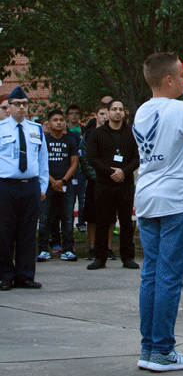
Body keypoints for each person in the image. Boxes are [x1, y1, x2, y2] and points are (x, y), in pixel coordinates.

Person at [132, 52, 183, 372]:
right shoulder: (181, 110)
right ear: (168, 80)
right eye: (181, 75)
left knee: (152, 275)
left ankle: (149, 348)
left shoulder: (141, 112)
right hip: (179, 200)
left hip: (149, 200)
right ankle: (163, 351)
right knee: (168, 277)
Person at [0, 87, 48, 290]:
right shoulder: (1, 129)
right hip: (6, 186)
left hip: (30, 186)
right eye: (17, 104)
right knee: (4, 233)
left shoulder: (35, 129)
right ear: (8, 107)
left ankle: (25, 275)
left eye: (25, 104)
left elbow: (42, 159)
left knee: (28, 233)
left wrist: (42, 186)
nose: (21, 107)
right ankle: (5, 275)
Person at [86, 99, 140, 270]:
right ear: (107, 112)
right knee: (102, 221)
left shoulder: (132, 133)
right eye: (114, 109)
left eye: (121, 109)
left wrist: (123, 172)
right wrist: (110, 172)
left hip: (125, 183)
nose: (118, 112)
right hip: (104, 183)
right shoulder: (97, 134)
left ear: (125, 113)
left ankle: (128, 257)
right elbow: (92, 158)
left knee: (126, 221)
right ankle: (100, 258)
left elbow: (138, 158)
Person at [37, 109, 79, 262]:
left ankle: (67, 249)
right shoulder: (43, 140)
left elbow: (74, 163)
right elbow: (38, 163)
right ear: (48, 123)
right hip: (46, 184)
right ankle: (42, 250)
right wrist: (51, 180)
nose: (59, 122)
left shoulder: (71, 140)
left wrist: (62, 180)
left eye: (61, 120)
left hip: (66, 184)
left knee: (67, 218)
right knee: (44, 218)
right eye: (55, 120)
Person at [78, 104, 116, 259]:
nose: (105, 116)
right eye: (101, 113)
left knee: (110, 216)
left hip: (112, 181)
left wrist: (112, 174)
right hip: (94, 182)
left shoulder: (115, 134)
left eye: (107, 113)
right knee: (92, 217)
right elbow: (84, 159)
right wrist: (97, 176)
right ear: (95, 115)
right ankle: (93, 247)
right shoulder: (88, 135)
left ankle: (108, 247)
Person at [67, 104, 86, 232]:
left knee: (82, 198)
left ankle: (81, 223)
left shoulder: (84, 130)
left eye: (76, 113)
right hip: (68, 171)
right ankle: (68, 225)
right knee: (69, 200)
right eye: (71, 113)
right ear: (67, 115)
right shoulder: (64, 131)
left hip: (82, 170)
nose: (74, 115)